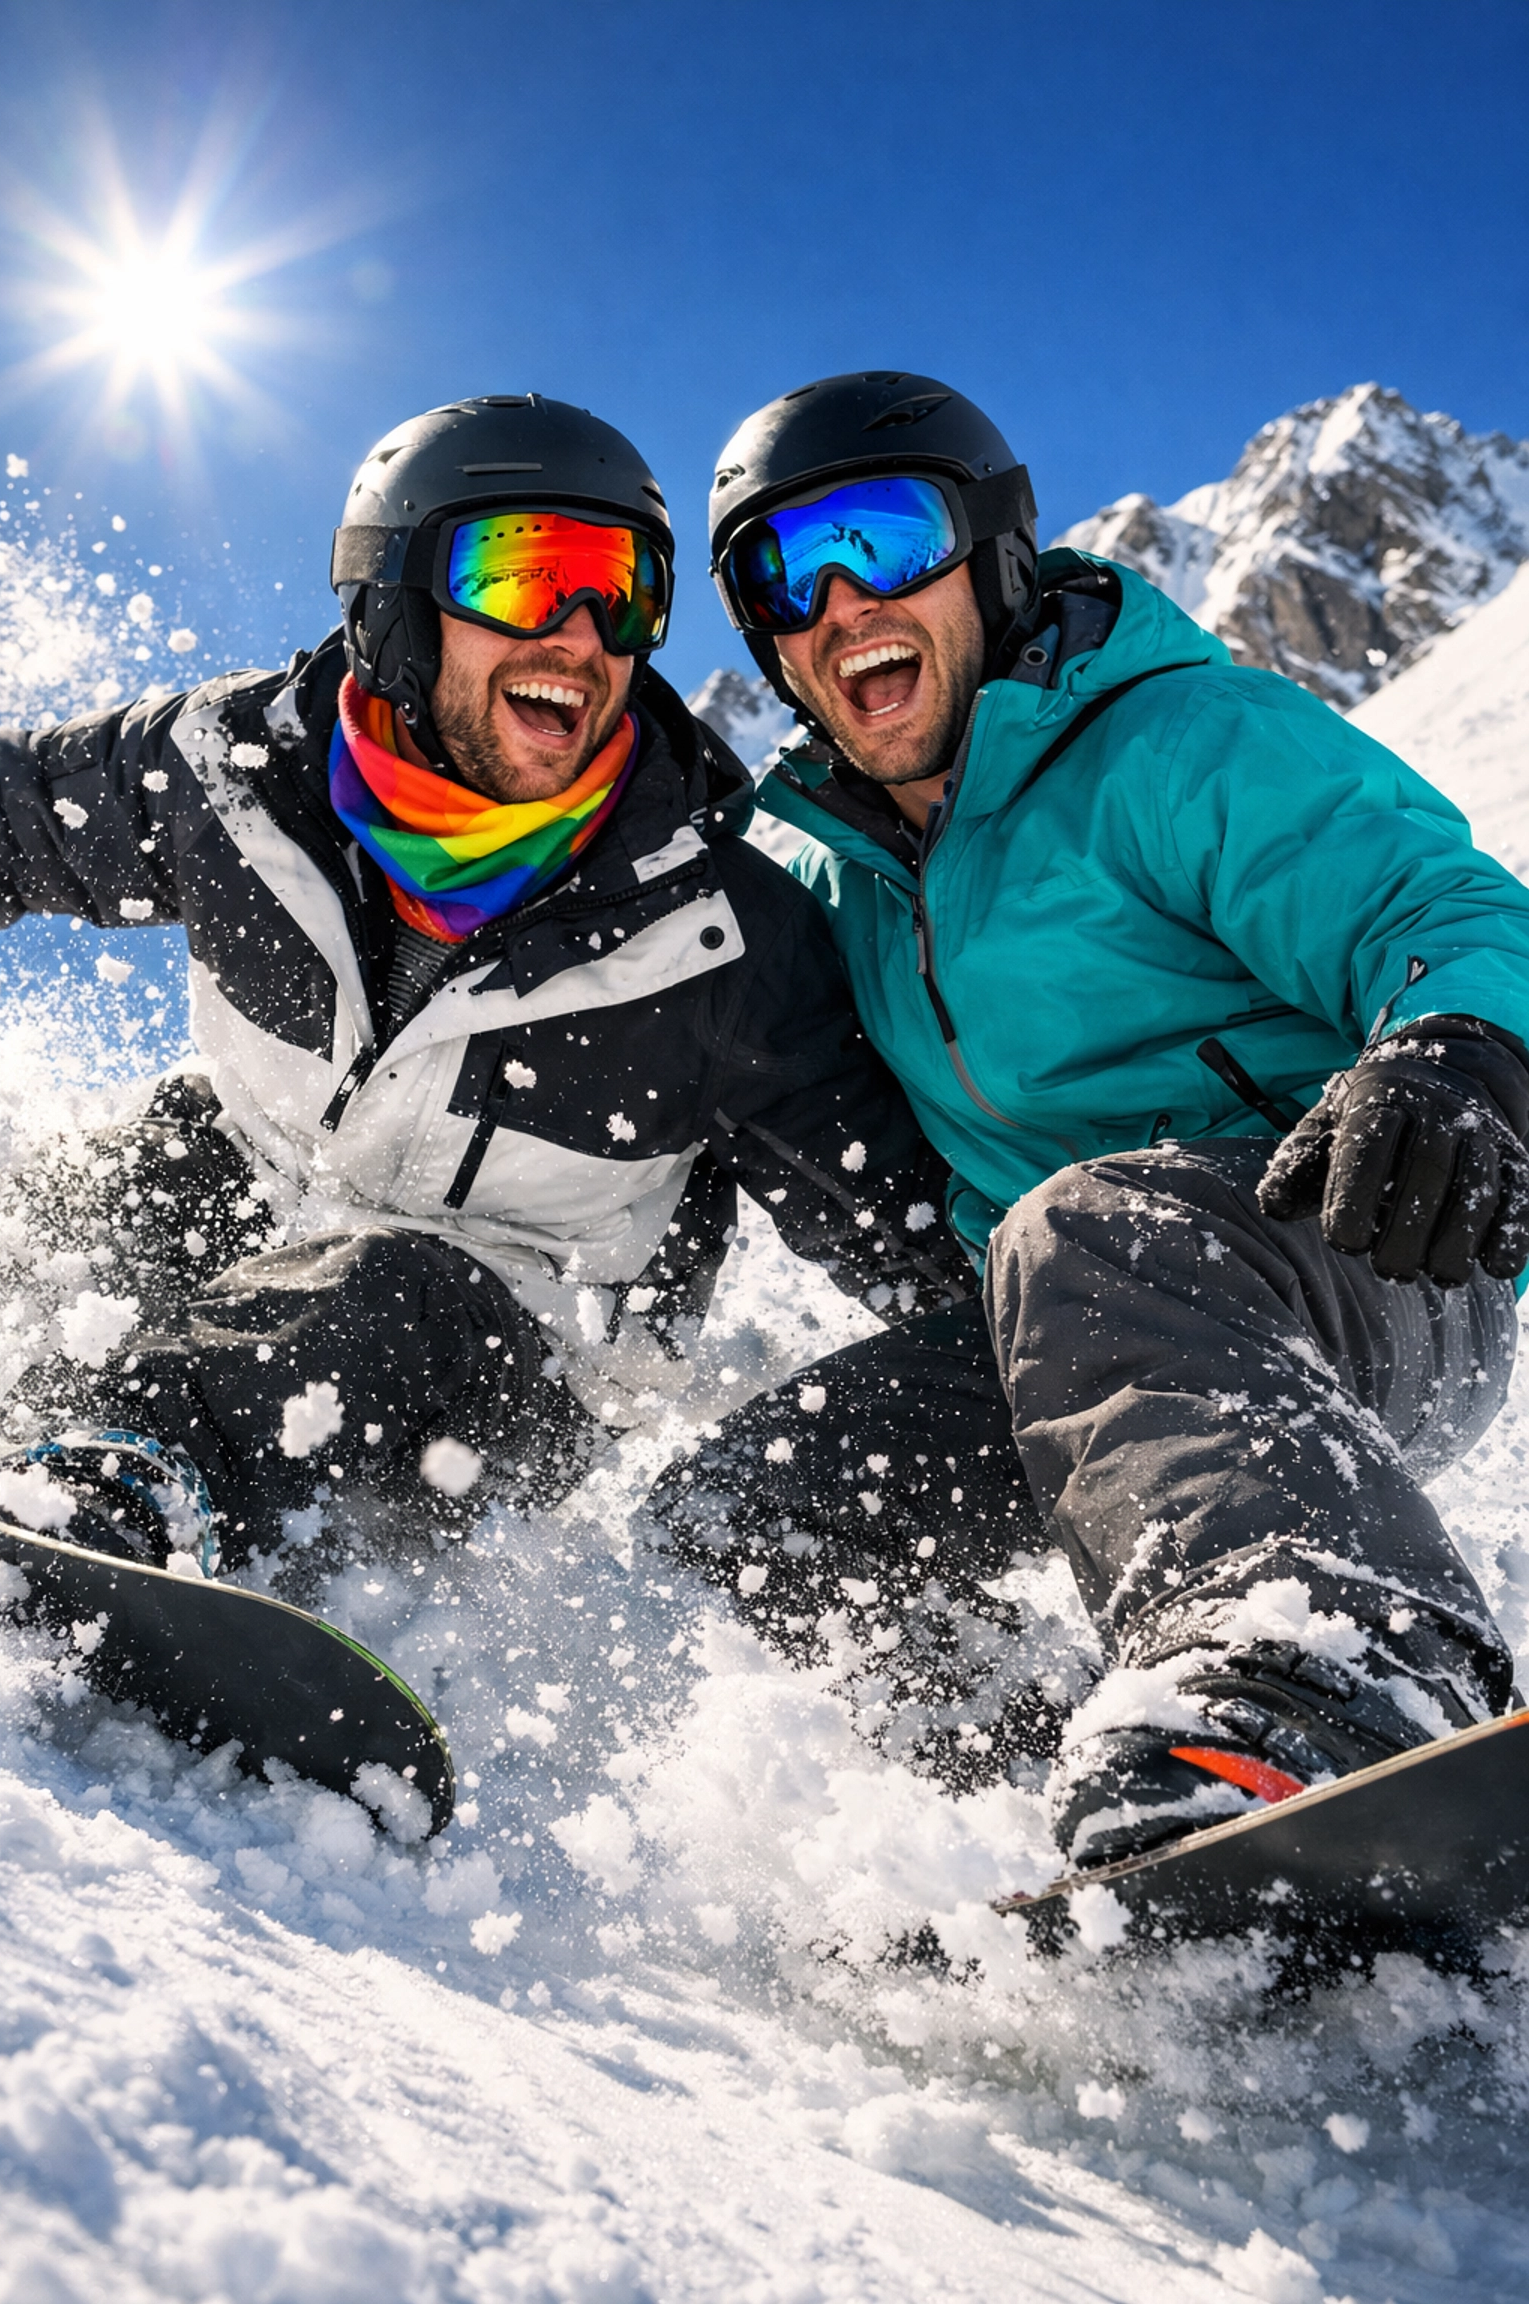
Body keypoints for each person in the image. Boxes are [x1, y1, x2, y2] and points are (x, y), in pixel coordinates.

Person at [647, 367, 1529, 1870]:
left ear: (992, 551)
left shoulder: (1171, 741)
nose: (844, 602)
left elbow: (1436, 903)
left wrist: (1460, 1056)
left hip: (1368, 1246)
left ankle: (1345, 1676)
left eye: (883, 538)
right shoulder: (833, 881)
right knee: (753, 1508)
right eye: (785, 575)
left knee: (1088, 1224)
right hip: (1085, 1322)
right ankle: (1113, 1789)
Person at [0, 393, 965, 1579]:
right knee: (142, 1168)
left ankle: (100, 1508)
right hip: (262, 1247)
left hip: (523, 1387)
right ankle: (57, 1431)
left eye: (624, 592)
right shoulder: (231, 776)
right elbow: (11, 818)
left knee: (393, 1279)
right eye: (522, 578)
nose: (581, 634)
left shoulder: (721, 941)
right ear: (392, 600)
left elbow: (922, 1248)